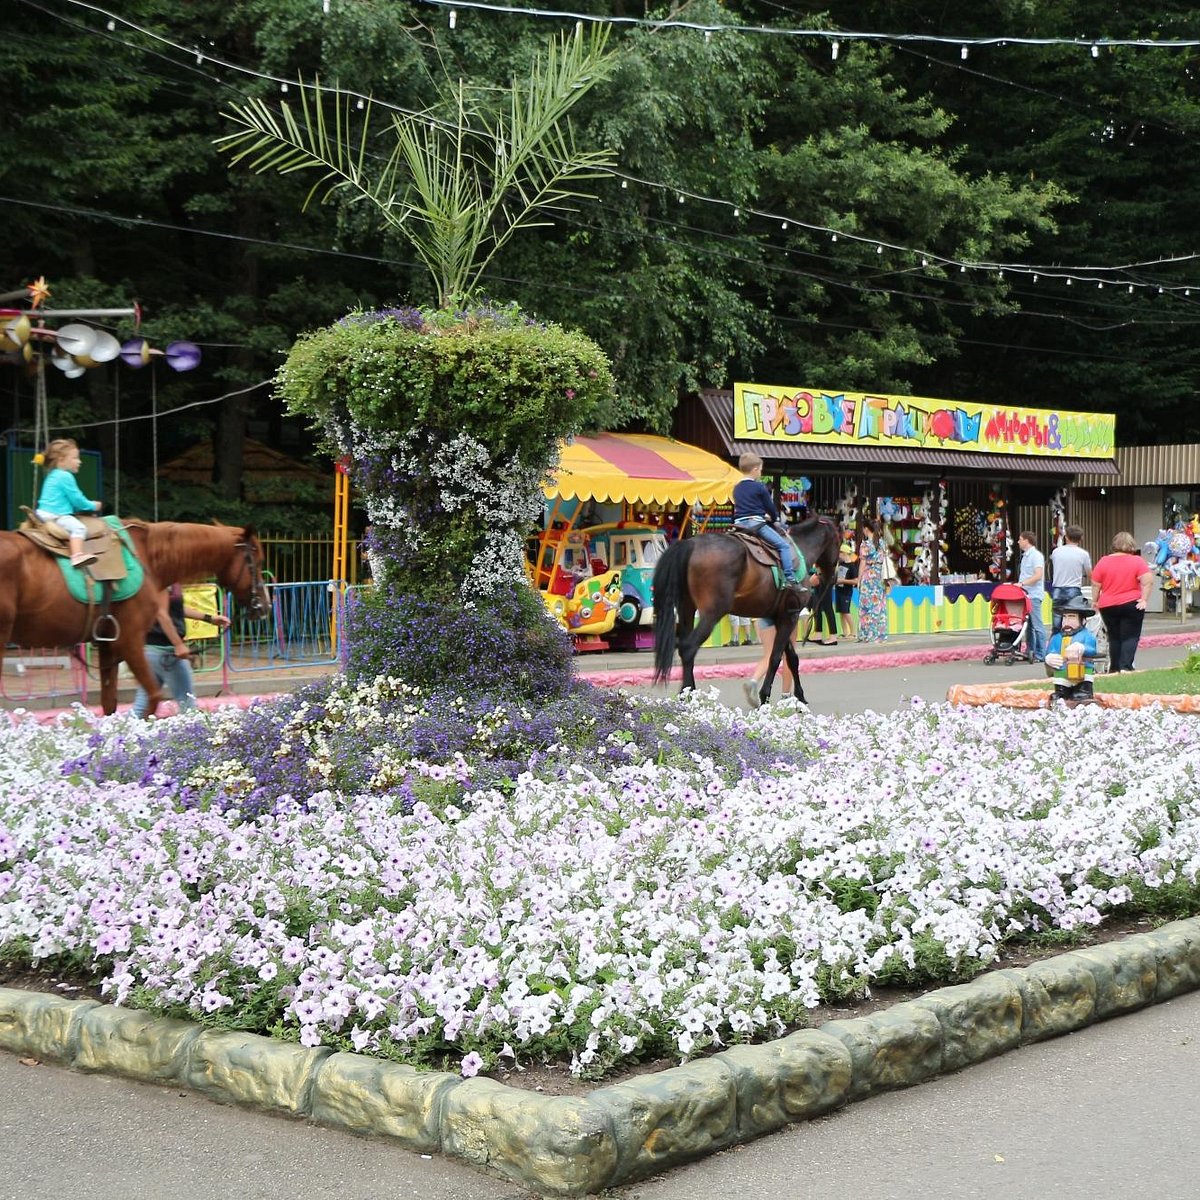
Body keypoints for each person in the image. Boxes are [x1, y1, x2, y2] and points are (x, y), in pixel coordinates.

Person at [131, 583, 232, 718]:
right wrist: (178, 644)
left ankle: (118, 736)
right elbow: (161, 613)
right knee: (188, 705)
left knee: (142, 705)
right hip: (167, 652)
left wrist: (210, 618)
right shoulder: (162, 580)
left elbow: (175, 609)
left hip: (152, 650)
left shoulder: (169, 581)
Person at [732, 453, 802, 587]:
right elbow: (769, 507)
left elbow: (744, 506)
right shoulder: (759, 487)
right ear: (755, 469)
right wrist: (774, 518)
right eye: (760, 469)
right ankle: (789, 577)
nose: (761, 472)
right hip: (755, 524)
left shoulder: (737, 488)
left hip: (739, 524)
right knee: (784, 546)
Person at [1091, 531, 1154, 674]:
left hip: (1108, 605)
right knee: (1130, 636)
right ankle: (1125, 666)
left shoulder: (1103, 561)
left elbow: (1096, 584)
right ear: (1131, 545)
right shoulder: (1137, 561)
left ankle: (1114, 667)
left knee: (1114, 637)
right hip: (1131, 603)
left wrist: (1095, 601)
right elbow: (1147, 581)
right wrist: (1144, 599)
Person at [35, 437, 103, 568]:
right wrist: (93, 505)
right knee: (79, 528)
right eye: (75, 458)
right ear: (61, 460)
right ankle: (77, 556)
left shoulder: (53, 474)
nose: (79, 461)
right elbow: (78, 500)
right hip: (56, 515)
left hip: (42, 513)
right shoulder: (65, 476)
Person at [1043, 595, 1099, 704]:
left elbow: (1092, 650)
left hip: (1082, 671)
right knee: (1060, 687)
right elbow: (1050, 651)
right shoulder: (1057, 638)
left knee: (1082, 687)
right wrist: (1049, 658)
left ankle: (1083, 690)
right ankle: (1061, 692)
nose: (1066, 621)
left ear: (1083, 621)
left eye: (1071, 617)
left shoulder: (1086, 636)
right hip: (1062, 672)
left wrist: (1082, 648)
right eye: (1064, 617)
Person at [741, 615, 798, 708]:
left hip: (766, 616)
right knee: (788, 656)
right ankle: (786, 695)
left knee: (768, 655)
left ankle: (753, 681)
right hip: (787, 615)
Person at [1049, 524, 1092, 633]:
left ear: (1066, 537)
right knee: (1075, 619)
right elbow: (1090, 574)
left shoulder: (1056, 552)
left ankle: (1056, 644)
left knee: (1057, 620)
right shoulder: (1083, 554)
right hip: (1074, 589)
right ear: (1081, 538)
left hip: (1058, 589)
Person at [855, 519, 888, 643]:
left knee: (866, 605)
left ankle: (867, 634)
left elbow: (862, 563)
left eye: (863, 528)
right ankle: (880, 634)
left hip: (869, 576)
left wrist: (859, 580)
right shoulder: (882, 543)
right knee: (879, 605)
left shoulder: (866, 544)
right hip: (880, 576)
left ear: (867, 529)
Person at [1017, 530, 1047, 663]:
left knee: (1037, 624)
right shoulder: (1025, 556)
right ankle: (1030, 650)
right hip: (1025, 593)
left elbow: (1038, 575)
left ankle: (1041, 653)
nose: (1018, 542)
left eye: (1020, 539)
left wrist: (1022, 583)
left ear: (1026, 541)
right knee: (1028, 625)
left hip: (1033, 594)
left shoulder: (1036, 556)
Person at [834, 540, 859, 640]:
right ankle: (845, 632)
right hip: (838, 590)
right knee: (841, 611)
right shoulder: (840, 564)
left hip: (846, 592)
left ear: (844, 553)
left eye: (840, 553)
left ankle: (853, 632)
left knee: (846, 611)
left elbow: (856, 581)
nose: (839, 556)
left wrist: (843, 581)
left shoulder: (852, 566)